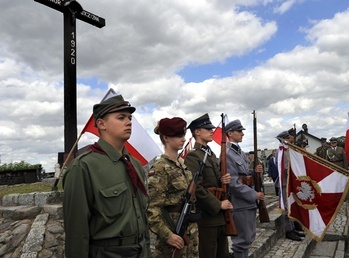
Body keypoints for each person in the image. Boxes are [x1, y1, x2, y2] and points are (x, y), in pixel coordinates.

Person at [63, 95, 151, 258]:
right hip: (108, 253)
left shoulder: (135, 165)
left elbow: (142, 217)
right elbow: (77, 231)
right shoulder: (83, 167)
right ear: (101, 124)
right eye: (121, 117)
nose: (129, 122)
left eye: (130, 118)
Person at [183, 113, 233, 258]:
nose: (212, 131)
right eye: (207, 128)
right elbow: (196, 188)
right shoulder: (194, 156)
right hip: (207, 217)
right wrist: (218, 205)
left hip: (220, 216)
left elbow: (214, 182)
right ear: (197, 132)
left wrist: (223, 181)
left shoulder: (210, 154)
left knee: (223, 254)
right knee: (209, 254)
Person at [147, 117, 198, 258]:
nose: (183, 138)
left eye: (183, 135)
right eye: (178, 135)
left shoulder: (182, 164)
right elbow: (152, 210)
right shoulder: (160, 167)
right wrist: (168, 235)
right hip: (172, 235)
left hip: (190, 234)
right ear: (166, 138)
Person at [224, 119, 265, 258]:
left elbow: (245, 174)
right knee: (242, 241)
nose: (242, 134)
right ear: (230, 133)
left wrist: (255, 172)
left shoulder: (239, 152)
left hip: (247, 203)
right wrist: (254, 195)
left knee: (248, 238)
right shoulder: (227, 154)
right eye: (239, 131)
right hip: (239, 202)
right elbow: (233, 183)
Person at [276, 130, 305, 241]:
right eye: (288, 139)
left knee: (290, 206)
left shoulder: (287, 150)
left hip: (289, 182)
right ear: (284, 139)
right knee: (286, 207)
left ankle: (292, 228)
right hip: (284, 182)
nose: (290, 140)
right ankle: (288, 230)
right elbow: (284, 167)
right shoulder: (281, 151)